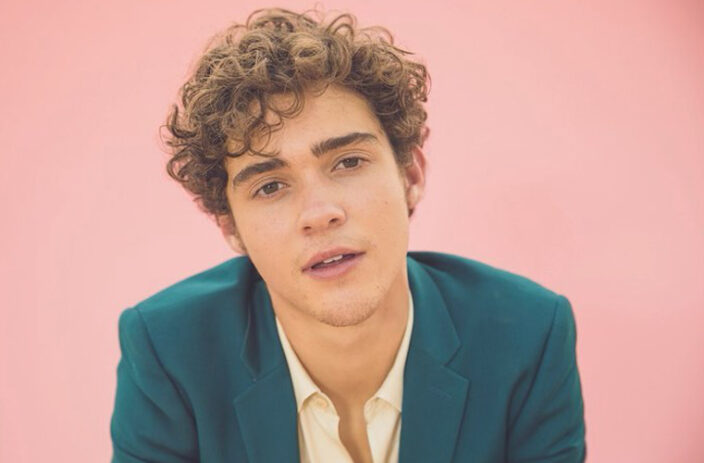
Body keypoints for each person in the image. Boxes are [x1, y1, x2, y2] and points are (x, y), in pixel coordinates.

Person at [109, 7, 586, 463]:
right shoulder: (169, 351)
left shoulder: (528, 335)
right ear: (231, 227)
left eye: (348, 162)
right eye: (270, 186)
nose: (319, 214)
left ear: (410, 175)